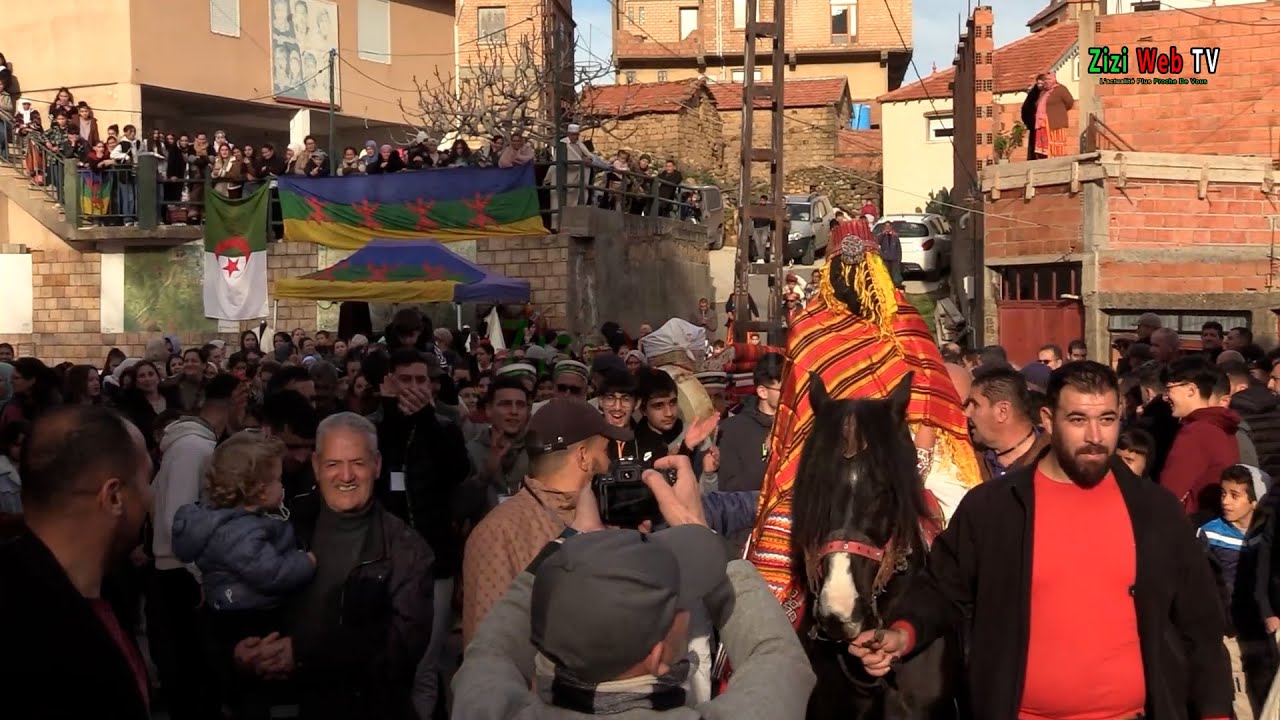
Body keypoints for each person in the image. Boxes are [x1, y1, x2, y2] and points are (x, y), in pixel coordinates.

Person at [848, 361, 1232, 719]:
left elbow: (1199, 625)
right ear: (1047, 419)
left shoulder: (1155, 512)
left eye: (1108, 419)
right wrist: (903, 633)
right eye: (1078, 419)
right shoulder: (995, 508)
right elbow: (942, 588)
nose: (1095, 437)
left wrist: (1215, 712)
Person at [452, 453, 815, 719]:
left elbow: (491, 652)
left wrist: (571, 541)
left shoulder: (487, 707)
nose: (686, 611)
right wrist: (700, 532)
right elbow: (777, 657)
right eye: (678, 606)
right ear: (656, 656)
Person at [743, 217, 979, 626]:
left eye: (863, 268)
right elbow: (798, 418)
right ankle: (753, 654)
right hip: (821, 461)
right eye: (845, 269)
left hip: (905, 457)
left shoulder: (904, 324)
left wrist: (917, 466)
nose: (855, 278)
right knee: (768, 553)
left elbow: (929, 401)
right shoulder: (808, 329)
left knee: (971, 536)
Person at [233, 412, 434, 719]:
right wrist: (242, 646)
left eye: (357, 462)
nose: (346, 475)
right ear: (316, 466)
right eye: (333, 464)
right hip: (286, 703)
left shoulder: (407, 549)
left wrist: (303, 654)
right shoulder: (285, 525)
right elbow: (242, 595)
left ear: (377, 464)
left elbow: (400, 649)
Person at [1, 406, 154, 719]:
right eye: (147, 481)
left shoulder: (106, 593)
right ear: (113, 497)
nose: (152, 498)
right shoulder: (22, 627)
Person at [461, 397, 632, 644]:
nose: (610, 463)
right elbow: (487, 650)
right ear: (583, 457)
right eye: (605, 452)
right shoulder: (498, 534)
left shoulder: (607, 516)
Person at [171, 431, 316, 715]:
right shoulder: (242, 532)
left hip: (225, 615)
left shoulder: (220, 521)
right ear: (260, 490)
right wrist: (306, 562)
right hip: (248, 619)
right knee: (253, 693)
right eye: (278, 480)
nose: (282, 486)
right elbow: (271, 573)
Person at [1198, 464, 1275, 716]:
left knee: (1266, 686)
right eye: (1223, 494)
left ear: (1255, 500)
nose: (1226, 502)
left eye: (1235, 495)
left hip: (1260, 628)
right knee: (1238, 689)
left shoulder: (1266, 536)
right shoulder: (1209, 534)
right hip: (1228, 631)